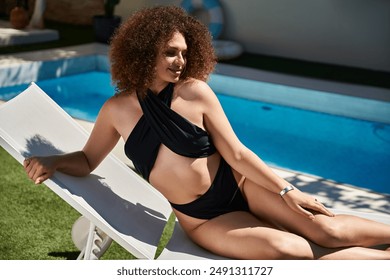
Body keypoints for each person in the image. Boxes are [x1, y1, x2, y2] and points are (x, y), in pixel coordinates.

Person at [23, 6, 390, 260]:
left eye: (184, 52)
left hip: (241, 185)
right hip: (204, 218)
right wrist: (53, 161)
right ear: (143, 52)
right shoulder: (116, 110)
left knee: (329, 233)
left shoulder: (195, 91)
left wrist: (286, 190)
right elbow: (88, 160)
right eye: (170, 52)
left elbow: (237, 154)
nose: (180, 61)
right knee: (291, 250)